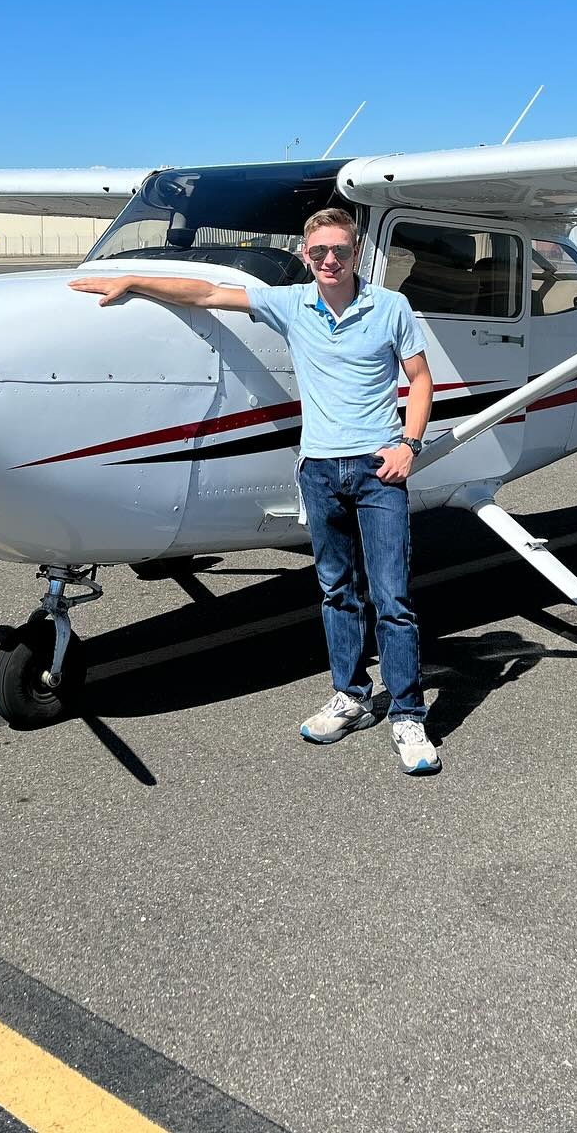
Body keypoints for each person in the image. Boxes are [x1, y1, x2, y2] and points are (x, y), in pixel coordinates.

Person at [69, 207, 440, 775]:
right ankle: (352, 696)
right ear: (306, 256)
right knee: (337, 590)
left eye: (340, 250)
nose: (330, 261)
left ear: (356, 253)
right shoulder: (292, 303)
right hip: (319, 470)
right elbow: (207, 293)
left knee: (392, 599)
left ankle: (408, 714)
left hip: (378, 469)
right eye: (319, 252)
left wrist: (408, 445)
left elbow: (420, 378)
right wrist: (134, 280)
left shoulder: (390, 307)